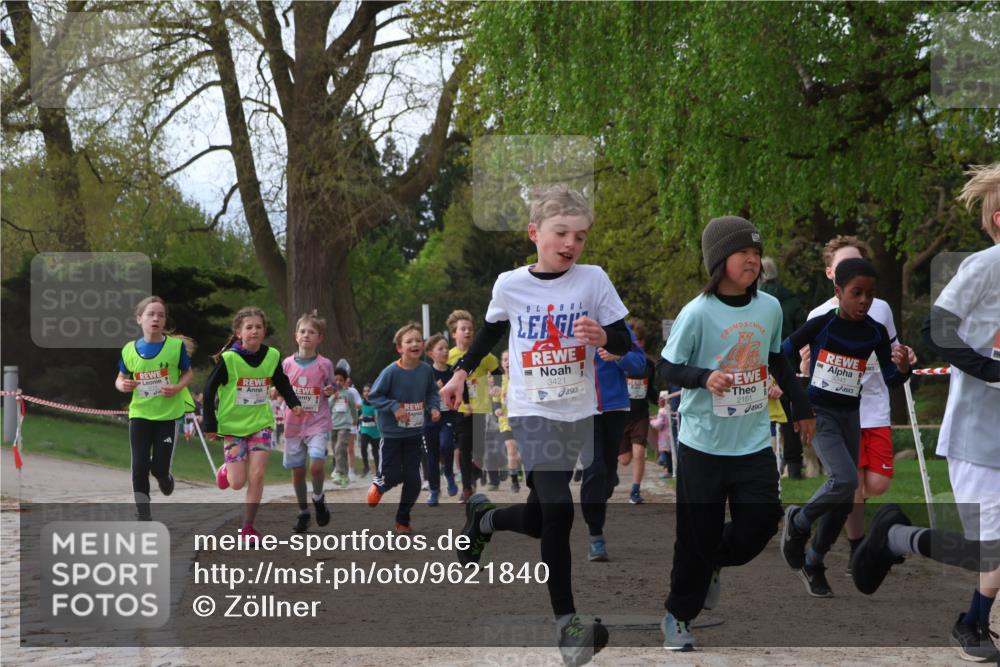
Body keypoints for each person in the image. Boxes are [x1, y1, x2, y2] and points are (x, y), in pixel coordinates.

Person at [441, 184, 629, 666]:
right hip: (530, 410)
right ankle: (567, 626)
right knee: (560, 510)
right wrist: (460, 374)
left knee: (540, 516)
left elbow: (624, 340)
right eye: (561, 232)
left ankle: (485, 519)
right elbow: (489, 332)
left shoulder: (593, 280)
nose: (571, 243)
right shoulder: (510, 284)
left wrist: (603, 336)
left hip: (578, 412)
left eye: (580, 236)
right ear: (534, 233)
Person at [851, 163, 1000, 662]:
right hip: (979, 436)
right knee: (988, 550)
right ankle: (901, 541)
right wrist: (992, 370)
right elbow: (936, 328)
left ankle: (971, 617)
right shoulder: (985, 267)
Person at [659, 215, 815, 651]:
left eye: (756, 253)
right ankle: (678, 615)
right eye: (742, 252)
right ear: (718, 259)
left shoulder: (769, 308)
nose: (752, 260)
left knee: (760, 523)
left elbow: (776, 358)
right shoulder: (697, 312)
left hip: (751, 441)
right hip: (702, 444)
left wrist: (800, 408)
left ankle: (712, 561)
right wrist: (703, 376)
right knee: (695, 535)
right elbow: (667, 367)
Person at [780, 258, 912, 597]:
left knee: (843, 499)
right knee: (846, 481)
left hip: (851, 416)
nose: (864, 300)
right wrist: (793, 392)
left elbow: (890, 379)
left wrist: (903, 369)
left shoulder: (875, 331)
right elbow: (782, 353)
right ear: (838, 292)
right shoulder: (822, 324)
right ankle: (798, 522)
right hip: (819, 413)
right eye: (857, 293)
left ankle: (814, 561)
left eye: (870, 294)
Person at [802, 236, 918, 566]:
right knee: (850, 485)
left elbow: (893, 348)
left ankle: (839, 512)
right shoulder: (819, 315)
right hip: (837, 412)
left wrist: (904, 356)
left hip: (875, 407)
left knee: (876, 484)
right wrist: (805, 367)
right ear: (831, 274)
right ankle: (857, 549)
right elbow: (805, 364)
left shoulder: (880, 308)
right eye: (843, 265)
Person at [204, 306, 302, 542]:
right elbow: (209, 390)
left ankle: (247, 528)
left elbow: (281, 381)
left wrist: (294, 403)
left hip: (261, 423)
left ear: (264, 331)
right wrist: (210, 424)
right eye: (249, 327)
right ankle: (226, 470)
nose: (254, 331)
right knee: (237, 483)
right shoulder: (229, 359)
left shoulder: (272, 356)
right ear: (239, 333)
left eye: (258, 327)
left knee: (257, 475)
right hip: (233, 426)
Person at [115, 296, 194, 520]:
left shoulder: (175, 347)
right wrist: (123, 385)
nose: (156, 319)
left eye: (161, 315)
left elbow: (188, 373)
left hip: (167, 416)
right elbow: (120, 378)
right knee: (139, 465)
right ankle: (143, 514)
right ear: (139, 319)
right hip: (140, 414)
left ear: (165, 320)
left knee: (159, 466)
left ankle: (164, 478)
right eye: (151, 314)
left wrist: (177, 387)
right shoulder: (129, 349)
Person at [366, 322, 441, 532]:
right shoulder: (391, 371)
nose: (414, 344)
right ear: (400, 348)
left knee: (414, 480)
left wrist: (434, 407)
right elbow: (374, 396)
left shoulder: (426, 370)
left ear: (423, 345)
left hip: (415, 432)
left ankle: (403, 520)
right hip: (392, 434)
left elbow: (432, 392)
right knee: (391, 474)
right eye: (409, 341)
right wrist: (393, 407)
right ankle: (380, 483)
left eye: (418, 340)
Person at [581, 321, 645, 561]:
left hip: (615, 408)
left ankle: (608, 479)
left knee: (605, 476)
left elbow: (639, 364)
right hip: (582, 409)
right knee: (594, 469)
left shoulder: (616, 324)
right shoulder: (567, 322)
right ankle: (595, 535)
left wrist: (619, 356)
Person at [279, 311, 335, 534]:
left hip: (317, 423)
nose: (306, 335)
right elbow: (280, 386)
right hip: (293, 424)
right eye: (302, 331)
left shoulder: (324, 364)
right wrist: (276, 391)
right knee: (298, 471)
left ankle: (318, 498)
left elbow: (331, 385)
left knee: (317, 465)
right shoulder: (286, 364)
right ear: (296, 336)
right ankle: (303, 511)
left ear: (319, 338)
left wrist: (330, 390)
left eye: (311, 332)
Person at [760, 256, 808, 479]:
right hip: (787, 365)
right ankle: (794, 464)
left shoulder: (755, 301)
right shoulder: (792, 301)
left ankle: (766, 464)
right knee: (789, 417)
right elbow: (803, 331)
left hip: (762, 364)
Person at [446, 309, 499, 502]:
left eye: (470, 329)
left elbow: (498, 371)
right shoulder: (449, 356)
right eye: (463, 329)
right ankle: (467, 488)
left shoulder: (483, 355)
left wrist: (497, 387)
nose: (467, 332)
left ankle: (476, 470)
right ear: (454, 333)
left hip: (481, 408)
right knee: (463, 447)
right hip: (459, 409)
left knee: (479, 450)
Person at [617, 318, 660, 503]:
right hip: (621, 414)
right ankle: (611, 473)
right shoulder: (618, 360)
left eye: (641, 340)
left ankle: (635, 491)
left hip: (640, 414)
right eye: (636, 340)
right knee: (624, 460)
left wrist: (658, 400)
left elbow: (650, 389)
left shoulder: (648, 364)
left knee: (639, 452)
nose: (639, 344)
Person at [424, 333, 456, 504]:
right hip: (429, 420)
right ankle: (434, 490)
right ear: (431, 354)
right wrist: (434, 390)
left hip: (448, 417)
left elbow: (463, 392)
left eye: (446, 348)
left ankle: (449, 473)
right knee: (432, 457)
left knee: (447, 445)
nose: (445, 351)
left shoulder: (453, 372)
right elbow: (418, 395)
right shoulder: (426, 373)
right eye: (440, 348)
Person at [494, 350, 523, 493]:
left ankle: (517, 467)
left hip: (523, 420)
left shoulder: (522, 379)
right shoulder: (499, 381)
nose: (507, 362)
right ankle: (514, 481)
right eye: (505, 360)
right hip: (506, 421)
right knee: (511, 449)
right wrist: (497, 409)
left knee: (522, 453)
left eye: (510, 359)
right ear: (502, 363)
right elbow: (495, 400)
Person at [329, 368, 358, 488]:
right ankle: (345, 475)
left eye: (341, 380)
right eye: (336, 380)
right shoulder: (331, 394)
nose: (338, 382)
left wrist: (355, 419)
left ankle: (339, 472)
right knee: (336, 450)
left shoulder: (348, 394)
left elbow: (353, 408)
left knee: (340, 448)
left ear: (345, 381)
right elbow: (327, 408)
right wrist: (333, 397)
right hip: (333, 425)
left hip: (345, 426)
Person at [649, 390, 674, 478]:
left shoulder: (661, 411)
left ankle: (666, 469)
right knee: (670, 453)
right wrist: (655, 417)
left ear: (664, 400)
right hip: (671, 435)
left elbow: (659, 425)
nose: (658, 401)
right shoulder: (670, 408)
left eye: (660, 399)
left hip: (664, 437)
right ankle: (670, 469)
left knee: (664, 453)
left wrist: (651, 421)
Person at [358, 384, 380, 478]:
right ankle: (366, 467)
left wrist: (370, 418)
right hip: (365, 430)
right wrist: (359, 418)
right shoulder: (361, 403)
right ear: (363, 393)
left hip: (375, 431)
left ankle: (378, 470)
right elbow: (358, 414)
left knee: (375, 451)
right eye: (365, 391)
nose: (366, 393)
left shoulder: (375, 403)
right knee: (363, 446)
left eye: (368, 391)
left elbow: (376, 417)